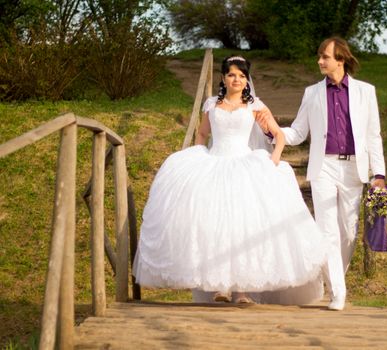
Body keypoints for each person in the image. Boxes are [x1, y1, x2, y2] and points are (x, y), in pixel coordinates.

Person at [133, 55, 328, 305]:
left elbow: (278, 136)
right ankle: (220, 287)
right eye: (232, 75)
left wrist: (275, 159)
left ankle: (242, 291)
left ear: (247, 80)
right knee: (215, 226)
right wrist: (196, 156)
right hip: (214, 164)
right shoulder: (211, 104)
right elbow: (202, 133)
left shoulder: (255, 105)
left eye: (242, 76)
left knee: (243, 226)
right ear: (223, 78)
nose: (237, 79)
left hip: (244, 164)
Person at [258, 37, 386, 310]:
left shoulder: (366, 92)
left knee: (349, 233)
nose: (319, 61)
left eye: (325, 57)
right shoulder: (312, 93)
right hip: (323, 166)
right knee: (327, 231)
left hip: (354, 168)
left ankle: (331, 278)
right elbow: (299, 132)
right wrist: (272, 129)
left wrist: (380, 174)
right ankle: (338, 292)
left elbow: (374, 135)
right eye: (319, 56)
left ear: (340, 59)